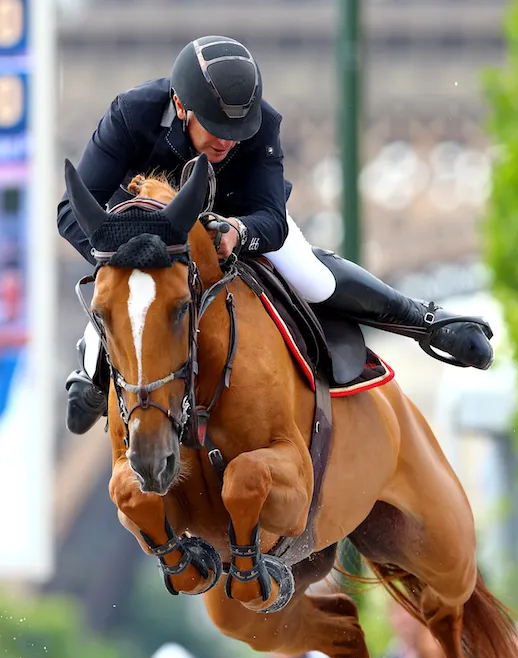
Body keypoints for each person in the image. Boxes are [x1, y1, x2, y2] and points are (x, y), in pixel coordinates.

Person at [58, 35, 494, 435]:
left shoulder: (263, 124)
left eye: (236, 131)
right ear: (180, 104)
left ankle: (425, 322)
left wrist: (238, 231)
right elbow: (69, 212)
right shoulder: (131, 114)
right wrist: (132, 252)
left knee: (313, 279)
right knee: (132, 296)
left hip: (236, 220)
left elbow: (272, 215)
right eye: (215, 126)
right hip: (140, 237)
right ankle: (93, 368)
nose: (227, 142)